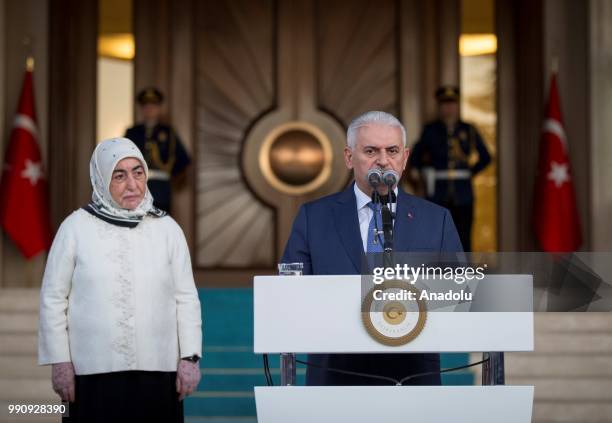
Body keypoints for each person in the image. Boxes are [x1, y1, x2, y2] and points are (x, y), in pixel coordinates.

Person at [282, 111, 463, 386]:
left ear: (405, 158)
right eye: (370, 150)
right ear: (348, 157)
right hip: (336, 376)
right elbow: (290, 296)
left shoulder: (436, 219)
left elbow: (457, 295)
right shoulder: (314, 217)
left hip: (412, 376)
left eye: (392, 150)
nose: (382, 160)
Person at [38, 138, 202, 422]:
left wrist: (189, 358)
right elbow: (53, 298)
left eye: (138, 172)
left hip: (159, 372)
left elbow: (186, 297)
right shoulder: (75, 228)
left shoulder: (168, 229)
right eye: (119, 175)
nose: (132, 184)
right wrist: (60, 361)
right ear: (101, 179)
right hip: (91, 374)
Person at [409, 86, 491, 251]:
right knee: (437, 236)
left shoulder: (468, 130)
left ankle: (464, 275)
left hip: (463, 193)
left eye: (452, 104)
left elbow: (486, 157)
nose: (449, 108)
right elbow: (415, 158)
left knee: (463, 237)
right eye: (445, 104)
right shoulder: (430, 130)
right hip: (438, 193)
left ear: (457, 105)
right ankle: (439, 275)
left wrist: (469, 173)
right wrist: (424, 172)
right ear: (439, 107)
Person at [125, 87, 191, 213]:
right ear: (141, 109)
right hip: (135, 189)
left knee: (160, 226)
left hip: (161, 190)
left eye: (153, 106)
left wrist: (172, 178)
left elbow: (184, 159)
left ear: (159, 108)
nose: (149, 109)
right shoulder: (132, 132)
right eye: (146, 106)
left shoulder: (168, 133)